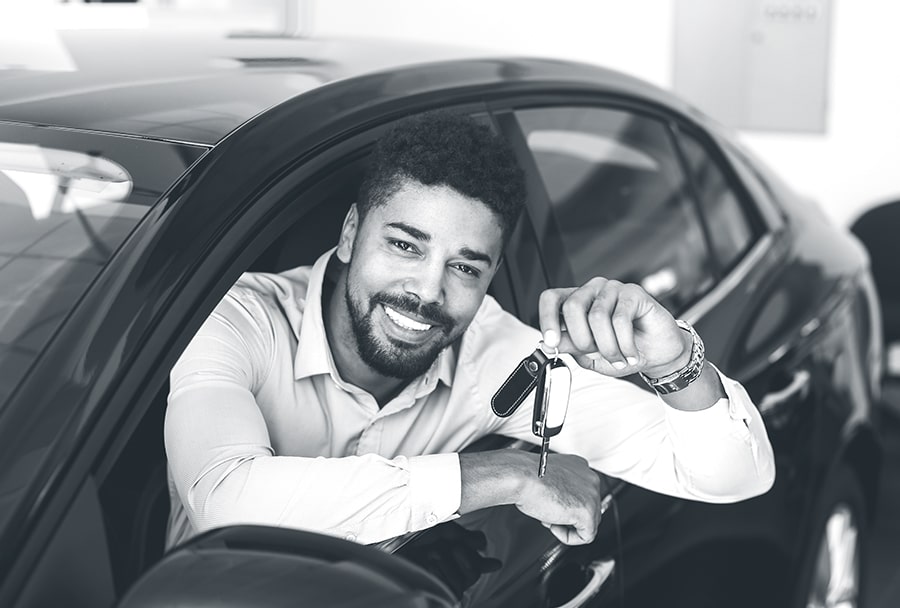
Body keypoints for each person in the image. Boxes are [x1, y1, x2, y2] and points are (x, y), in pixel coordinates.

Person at [164, 112, 775, 550]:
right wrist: (501, 476)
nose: (428, 292)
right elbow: (224, 498)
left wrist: (674, 365)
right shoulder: (237, 318)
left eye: (463, 266)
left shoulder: (499, 357)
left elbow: (730, 475)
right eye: (405, 245)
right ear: (350, 234)